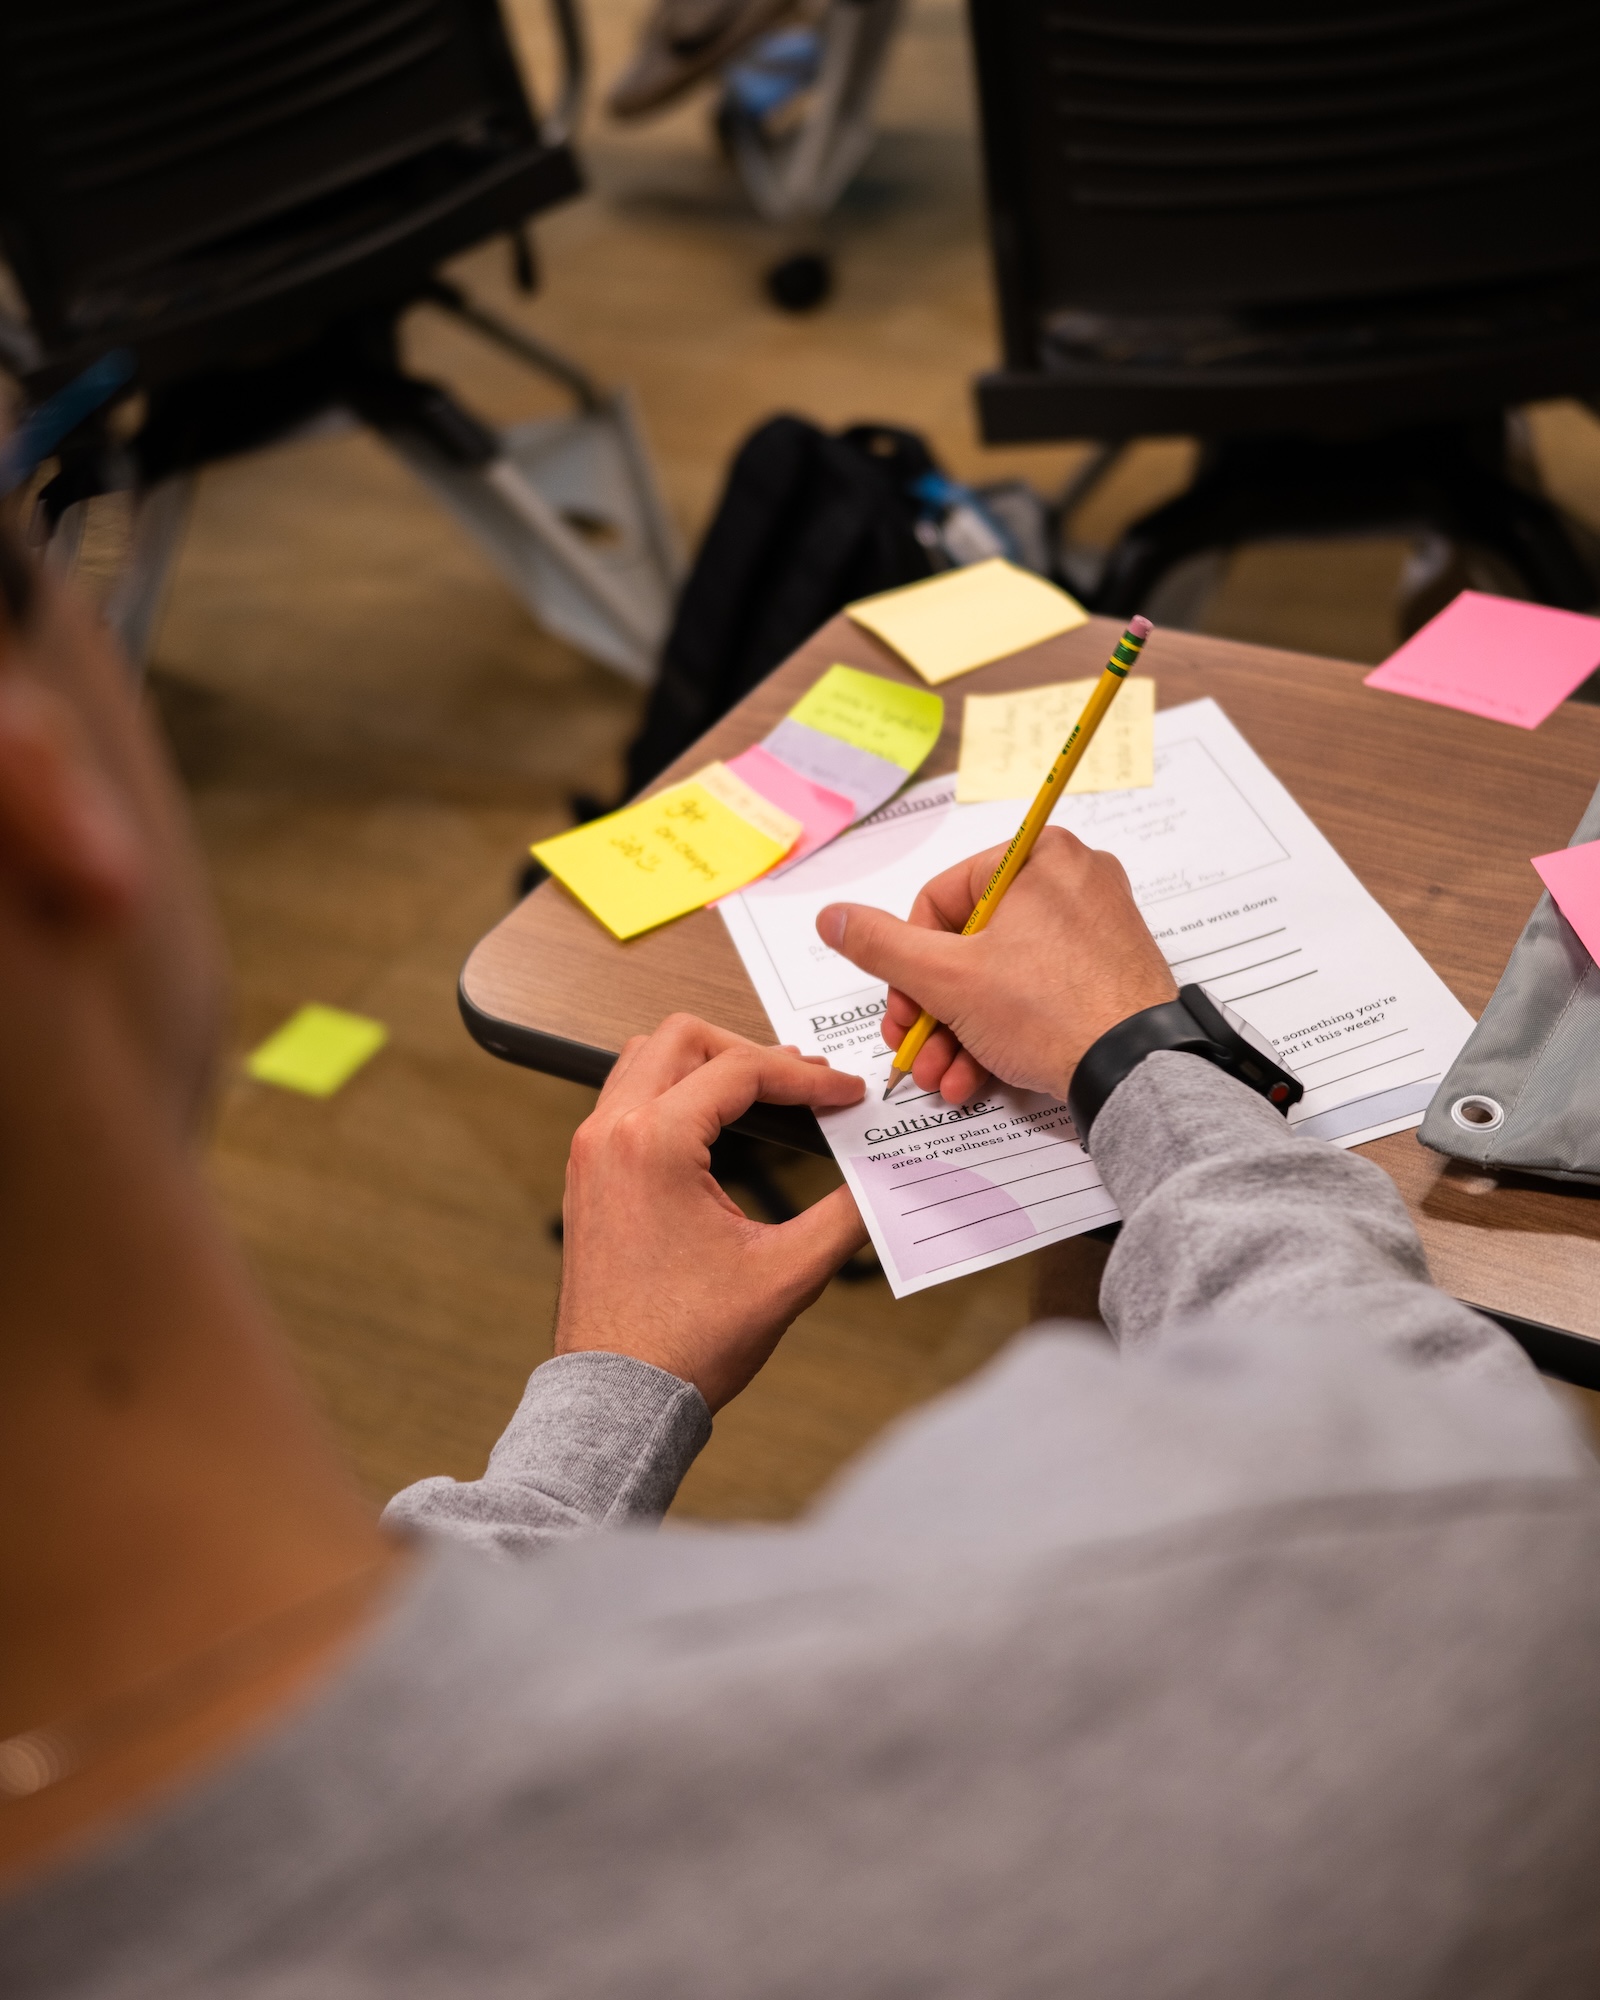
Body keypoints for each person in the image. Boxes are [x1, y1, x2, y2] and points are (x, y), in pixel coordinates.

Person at [1, 518, 1599, 1999]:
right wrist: (1136, 1050)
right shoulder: (1280, 1600)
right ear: (44, 799)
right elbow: (1431, 1441)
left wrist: (595, 1414)